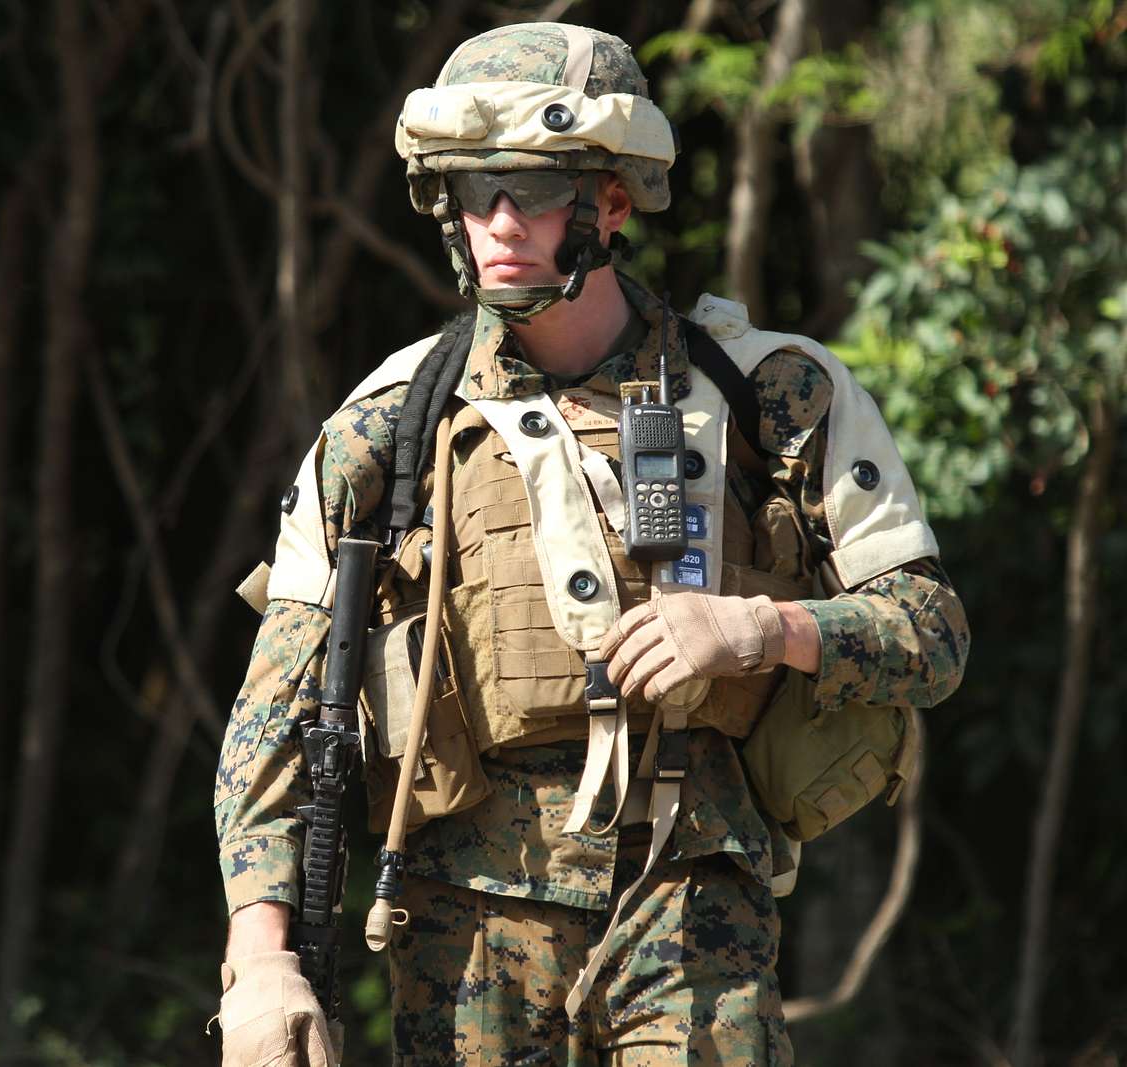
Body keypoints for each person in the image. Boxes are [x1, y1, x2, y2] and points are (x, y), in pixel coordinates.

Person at [213, 22, 969, 1067]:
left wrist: (761, 626)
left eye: (533, 189)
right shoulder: (387, 423)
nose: (501, 223)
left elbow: (931, 634)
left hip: (691, 898)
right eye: (476, 192)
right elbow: (278, 712)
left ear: (610, 203)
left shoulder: (772, 392)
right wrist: (260, 958)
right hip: (464, 925)